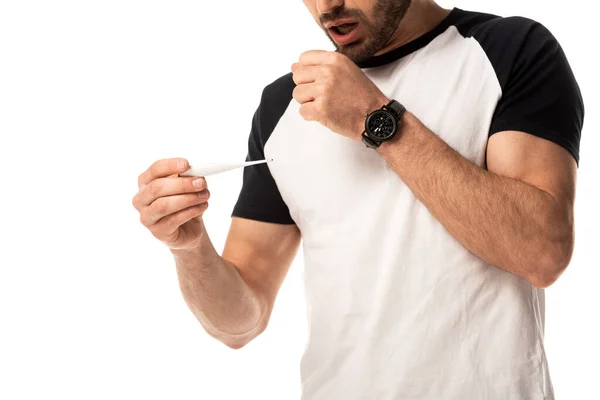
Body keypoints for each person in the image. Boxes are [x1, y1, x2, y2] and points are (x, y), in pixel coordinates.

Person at [132, 0, 584, 399]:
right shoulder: (283, 105)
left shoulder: (512, 50)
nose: (327, 5)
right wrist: (189, 248)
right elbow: (240, 323)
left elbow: (542, 252)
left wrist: (376, 119)